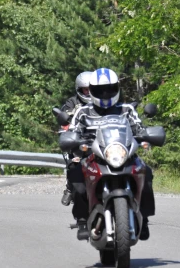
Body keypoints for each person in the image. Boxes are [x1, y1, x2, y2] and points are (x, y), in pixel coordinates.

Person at [67, 68, 155, 241]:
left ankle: (143, 219)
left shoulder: (127, 109)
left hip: (124, 154)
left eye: (109, 89)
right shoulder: (83, 111)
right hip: (93, 156)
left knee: (147, 173)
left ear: (117, 88)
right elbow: (72, 131)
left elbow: (139, 128)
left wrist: (146, 135)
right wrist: (73, 140)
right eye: (100, 90)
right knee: (75, 176)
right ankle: (83, 220)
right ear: (92, 90)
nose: (105, 93)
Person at [59, 71, 92, 206]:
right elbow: (65, 117)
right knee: (73, 162)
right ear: (79, 89)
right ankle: (69, 188)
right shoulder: (72, 102)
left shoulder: (103, 102)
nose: (89, 92)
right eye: (86, 89)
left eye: (91, 89)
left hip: (98, 138)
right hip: (78, 138)